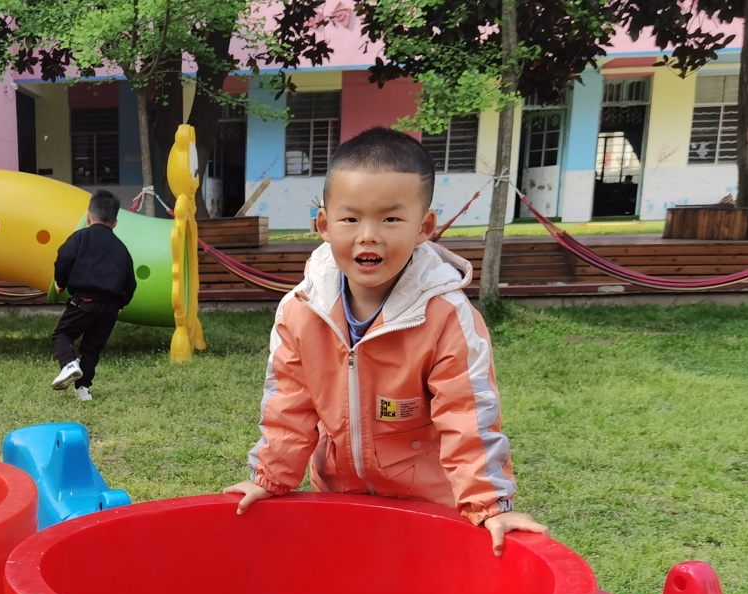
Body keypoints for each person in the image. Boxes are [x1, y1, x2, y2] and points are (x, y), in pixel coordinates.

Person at [222, 127, 547, 556]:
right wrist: (268, 478)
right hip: (341, 500)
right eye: (350, 219)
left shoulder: (446, 317)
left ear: (424, 227)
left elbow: (468, 416)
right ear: (324, 225)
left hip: (428, 509)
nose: (368, 235)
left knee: (421, 590)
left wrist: (489, 506)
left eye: (391, 219)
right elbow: (288, 405)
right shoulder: (301, 311)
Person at [49, 190, 138, 402]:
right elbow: (130, 281)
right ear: (115, 223)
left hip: (85, 300)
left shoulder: (79, 238)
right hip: (110, 307)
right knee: (92, 348)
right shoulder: (121, 248)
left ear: (89, 217)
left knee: (63, 334)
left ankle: (69, 364)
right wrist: (121, 303)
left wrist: (61, 282)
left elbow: (64, 259)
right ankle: (83, 389)